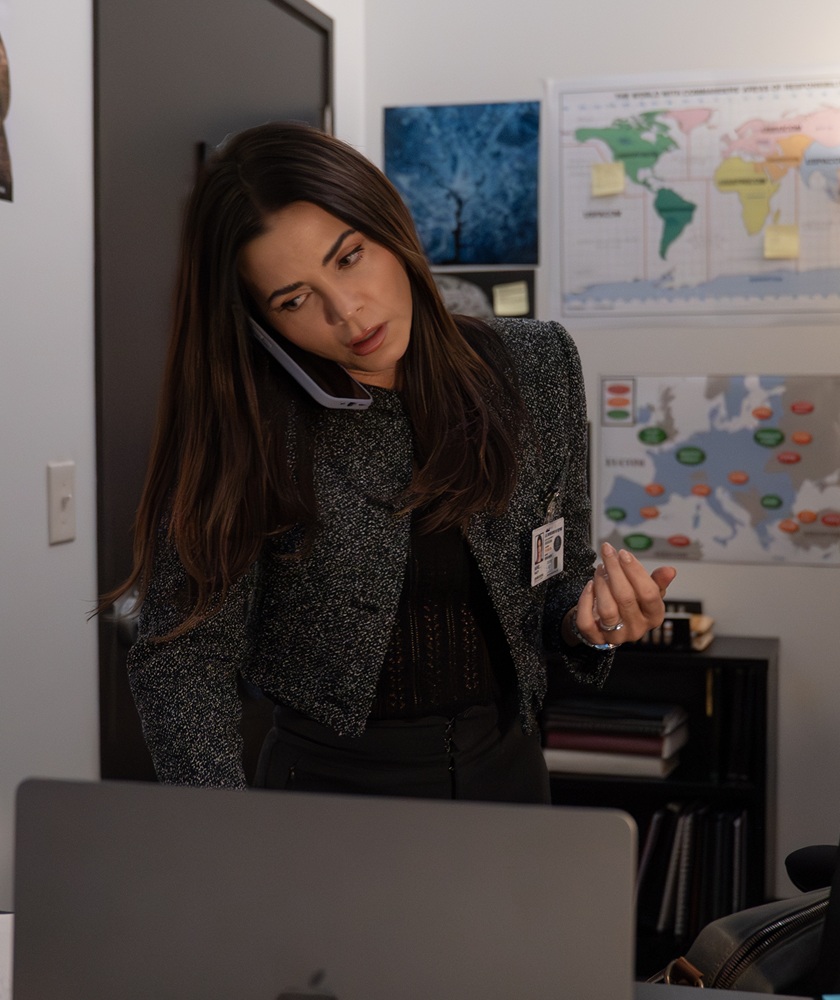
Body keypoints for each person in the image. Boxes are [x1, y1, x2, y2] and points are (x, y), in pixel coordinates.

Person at [111, 121, 676, 803]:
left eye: (350, 257)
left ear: (391, 227)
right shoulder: (248, 425)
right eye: (295, 300)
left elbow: (557, 578)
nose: (347, 313)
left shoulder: (535, 365)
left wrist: (595, 623)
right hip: (328, 793)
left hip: (510, 772)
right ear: (261, 320)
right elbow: (181, 660)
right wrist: (224, 832)